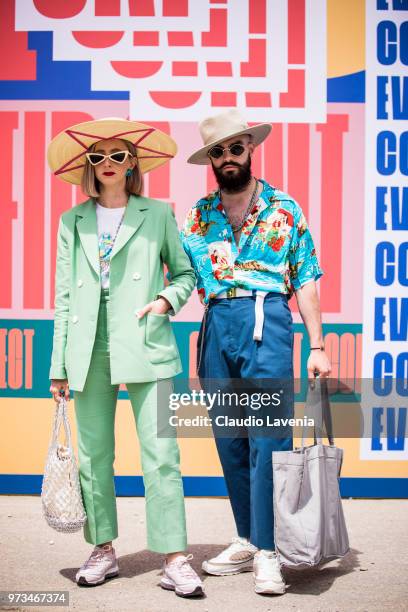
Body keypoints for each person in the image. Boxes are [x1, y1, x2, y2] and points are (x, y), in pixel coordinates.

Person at [47, 117, 203, 598]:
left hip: (146, 339)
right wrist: (59, 366)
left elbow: (183, 274)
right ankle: (102, 549)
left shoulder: (157, 213)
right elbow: (65, 296)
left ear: (132, 162)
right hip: (86, 344)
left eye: (118, 155)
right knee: (95, 456)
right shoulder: (70, 221)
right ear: (88, 167)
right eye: (98, 156)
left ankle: (175, 557)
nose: (109, 163)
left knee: (161, 454)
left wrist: (165, 302)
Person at [181, 109, 331, 596]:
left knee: (269, 439)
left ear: (250, 149)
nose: (228, 157)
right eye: (218, 151)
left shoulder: (284, 209)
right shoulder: (198, 216)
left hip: (268, 321)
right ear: (211, 159)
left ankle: (270, 552)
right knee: (230, 441)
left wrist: (318, 345)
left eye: (235, 148)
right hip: (217, 325)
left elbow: (305, 277)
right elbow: (182, 278)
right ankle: (246, 537)